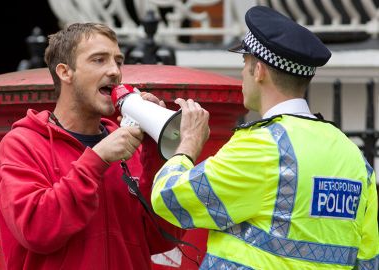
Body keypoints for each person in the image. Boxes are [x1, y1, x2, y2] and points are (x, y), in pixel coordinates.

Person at [151, 5, 379, 270]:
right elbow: (368, 259)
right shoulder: (352, 156)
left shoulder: (262, 146)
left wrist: (188, 143)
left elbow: (170, 198)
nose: (242, 74)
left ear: (258, 70)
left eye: (244, 64)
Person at [0, 22, 184, 269]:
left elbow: (160, 239)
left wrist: (154, 154)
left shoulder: (128, 145)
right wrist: (97, 160)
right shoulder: (22, 144)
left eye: (118, 61)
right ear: (65, 72)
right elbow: (37, 230)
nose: (115, 71)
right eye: (99, 60)